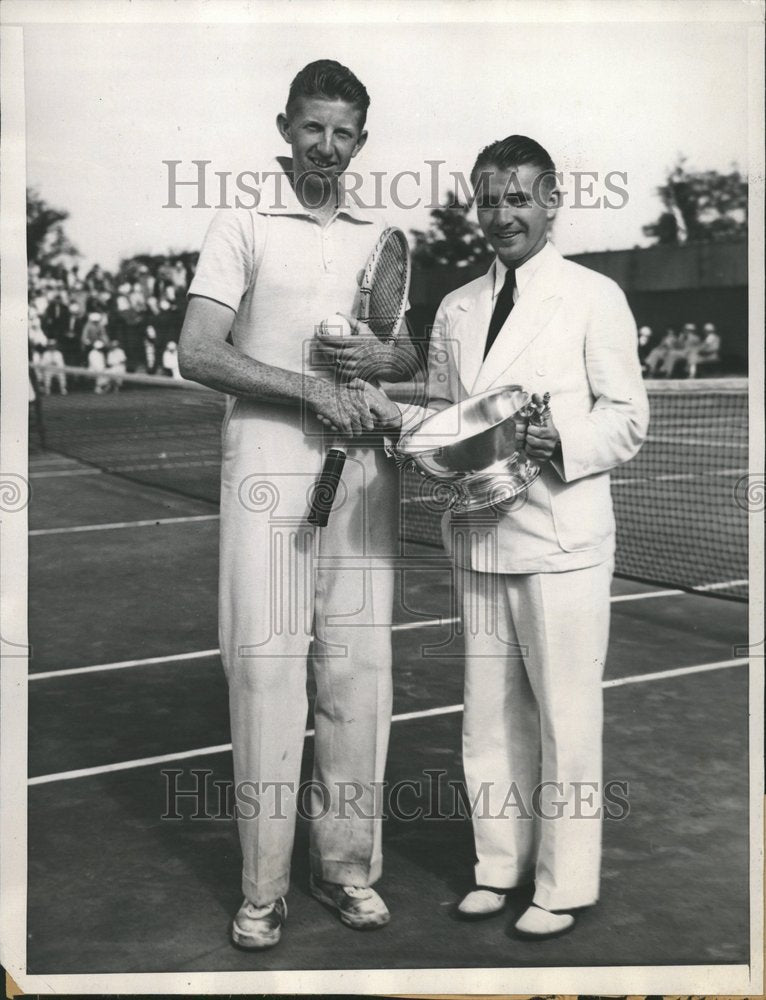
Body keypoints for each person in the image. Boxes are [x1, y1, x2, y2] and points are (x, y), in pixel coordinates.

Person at [178, 59, 415, 950]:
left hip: (361, 480)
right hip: (267, 475)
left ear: (361, 140)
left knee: (357, 680)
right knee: (268, 677)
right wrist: (310, 391)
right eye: (312, 127)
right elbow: (198, 351)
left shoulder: (381, 234)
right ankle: (262, 891)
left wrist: (378, 373)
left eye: (343, 132)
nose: (327, 145)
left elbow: (400, 361)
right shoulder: (240, 219)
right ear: (285, 127)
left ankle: (348, 871)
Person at [394, 135, 648, 939]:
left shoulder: (593, 295)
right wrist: (382, 412)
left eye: (520, 198)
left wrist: (557, 438)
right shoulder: (455, 306)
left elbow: (629, 419)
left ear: (550, 205)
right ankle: (497, 868)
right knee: (488, 715)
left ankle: (563, 885)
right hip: (478, 533)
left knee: (566, 716)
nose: (504, 213)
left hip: (564, 538)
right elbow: (440, 415)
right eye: (491, 198)